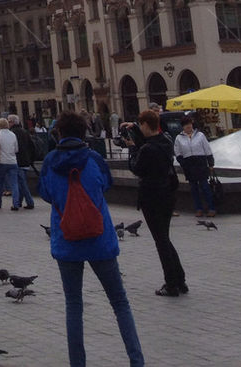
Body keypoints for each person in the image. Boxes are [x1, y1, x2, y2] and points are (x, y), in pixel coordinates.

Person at [39, 110, 144, 367]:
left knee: (74, 304)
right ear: (84, 133)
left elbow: (46, 194)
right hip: (100, 240)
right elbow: (106, 184)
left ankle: (78, 363)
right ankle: (136, 361)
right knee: (119, 302)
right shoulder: (94, 158)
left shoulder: (50, 161)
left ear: (59, 133)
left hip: (67, 240)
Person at [126, 109, 187, 296]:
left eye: (140, 124)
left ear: (145, 124)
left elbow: (136, 167)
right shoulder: (166, 141)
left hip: (152, 198)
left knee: (161, 241)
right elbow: (150, 141)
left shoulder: (147, 149)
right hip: (168, 195)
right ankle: (180, 280)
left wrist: (132, 148)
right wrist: (135, 129)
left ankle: (171, 284)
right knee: (164, 238)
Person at [174, 115, 216, 217]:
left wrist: (210, 163)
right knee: (193, 188)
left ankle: (211, 208)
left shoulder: (200, 135)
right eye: (186, 125)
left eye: (189, 124)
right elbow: (178, 152)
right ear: (182, 126)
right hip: (189, 165)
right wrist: (183, 163)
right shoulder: (179, 138)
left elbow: (207, 149)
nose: (188, 126)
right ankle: (198, 209)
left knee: (205, 186)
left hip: (200, 163)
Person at [7, 114, 36, 209]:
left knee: (22, 183)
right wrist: (30, 159)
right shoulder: (25, 132)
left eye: (9, 121)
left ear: (12, 122)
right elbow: (32, 146)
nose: (8, 123)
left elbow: (12, 148)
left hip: (17, 161)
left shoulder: (11, 133)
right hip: (26, 161)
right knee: (21, 182)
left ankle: (30, 202)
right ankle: (19, 201)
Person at [0, 117, 20, 210]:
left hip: (1, 162)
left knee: (0, 183)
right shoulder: (13, 134)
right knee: (14, 183)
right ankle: (16, 203)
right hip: (12, 162)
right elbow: (16, 149)